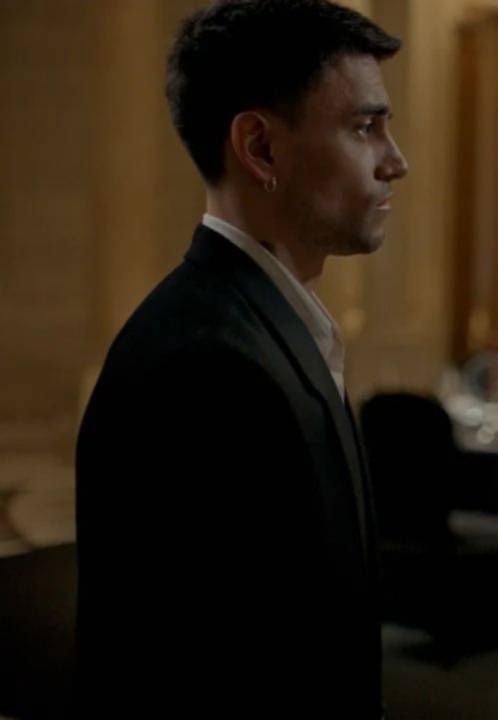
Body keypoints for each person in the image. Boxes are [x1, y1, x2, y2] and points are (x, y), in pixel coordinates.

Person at [75, 0, 407, 716]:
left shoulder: (263, 323)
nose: (395, 161)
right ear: (260, 148)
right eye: (364, 127)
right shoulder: (206, 365)